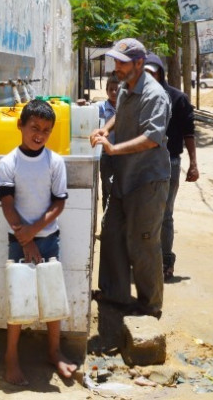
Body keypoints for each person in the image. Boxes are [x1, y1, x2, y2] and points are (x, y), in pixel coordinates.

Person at [0, 99, 78, 385]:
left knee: (52, 295)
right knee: (18, 298)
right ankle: (11, 356)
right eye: (34, 128)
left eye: (45, 130)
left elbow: (58, 205)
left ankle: (54, 352)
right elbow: (7, 205)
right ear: (20, 125)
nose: (39, 134)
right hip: (18, 240)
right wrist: (25, 238)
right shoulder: (8, 163)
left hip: (48, 240)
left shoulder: (55, 162)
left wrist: (35, 232)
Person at [89, 38, 171, 318]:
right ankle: (114, 293)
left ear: (139, 63)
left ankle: (150, 304)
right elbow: (119, 114)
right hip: (125, 177)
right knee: (111, 233)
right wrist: (105, 130)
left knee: (143, 241)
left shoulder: (154, 95)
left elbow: (152, 138)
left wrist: (114, 148)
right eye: (115, 62)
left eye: (121, 62)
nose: (116, 68)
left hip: (147, 181)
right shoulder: (126, 87)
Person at [144, 53, 200, 281]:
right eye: (145, 73)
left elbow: (189, 133)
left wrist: (193, 164)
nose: (149, 77)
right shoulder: (139, 98)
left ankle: (166, 261)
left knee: (165, 214)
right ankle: (145, 260)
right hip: (143, 162)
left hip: (169, 162)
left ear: (160, 73)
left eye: (153, 72)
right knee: (145, 213)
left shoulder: (178, 98)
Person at [96, 73, 120, 212]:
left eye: (116, 89)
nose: (113, 92)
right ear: (106, 90)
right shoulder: (101, 107)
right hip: (106, 155)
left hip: (122, 154)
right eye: (111, 89)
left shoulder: (126, 109)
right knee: (107, 188)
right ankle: (106, 225)